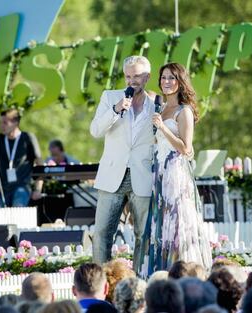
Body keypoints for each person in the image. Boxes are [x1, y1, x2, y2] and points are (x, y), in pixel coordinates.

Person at [139, 63, 212, 276]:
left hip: (176, 174)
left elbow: (185, 148)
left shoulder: (184, 111)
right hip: (158, 173)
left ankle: (183, 271)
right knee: (160, 224)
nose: (166, 82)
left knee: (178, 223)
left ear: (180, 81)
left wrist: (162, 127)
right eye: (163, 78)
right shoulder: (160, 108)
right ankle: (162, 271)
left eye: (171, 78)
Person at [90, 56, 155, 271]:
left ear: (147, 77)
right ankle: (100, 285)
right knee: (101, 234)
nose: (131, 81)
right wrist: (116, 110)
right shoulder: (110, 98)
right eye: (128, 76)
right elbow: (96, 130)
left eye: (136, 76)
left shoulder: (156, 105)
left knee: (143, 235)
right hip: (112, 177)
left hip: (142, 176)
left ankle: (139, 284)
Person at [0, 109, 43, 207]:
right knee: (0, 218)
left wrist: (38, 189)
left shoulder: (28, 138)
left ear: (15, 123)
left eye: (5, 122)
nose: (1, 126)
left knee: (18, 209)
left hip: (21, 187)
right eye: (1, 122)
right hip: (2, 189)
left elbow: (40, 164)